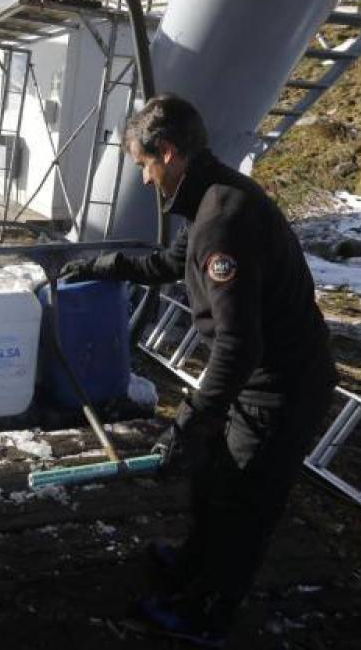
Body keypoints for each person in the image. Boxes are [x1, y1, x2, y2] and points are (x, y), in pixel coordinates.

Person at [62, 94, 337, 647]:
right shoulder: (211, 194)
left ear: (167, 152)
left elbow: (238, 343)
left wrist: (190, 419)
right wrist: (106, 265)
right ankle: (193, 564)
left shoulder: (224, 220)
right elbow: (172, 262)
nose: (144, 178)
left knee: (243, 504)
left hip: (280, 388)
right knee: (213, 483)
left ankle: (207, 613)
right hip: (255, 380)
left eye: (143, 164)